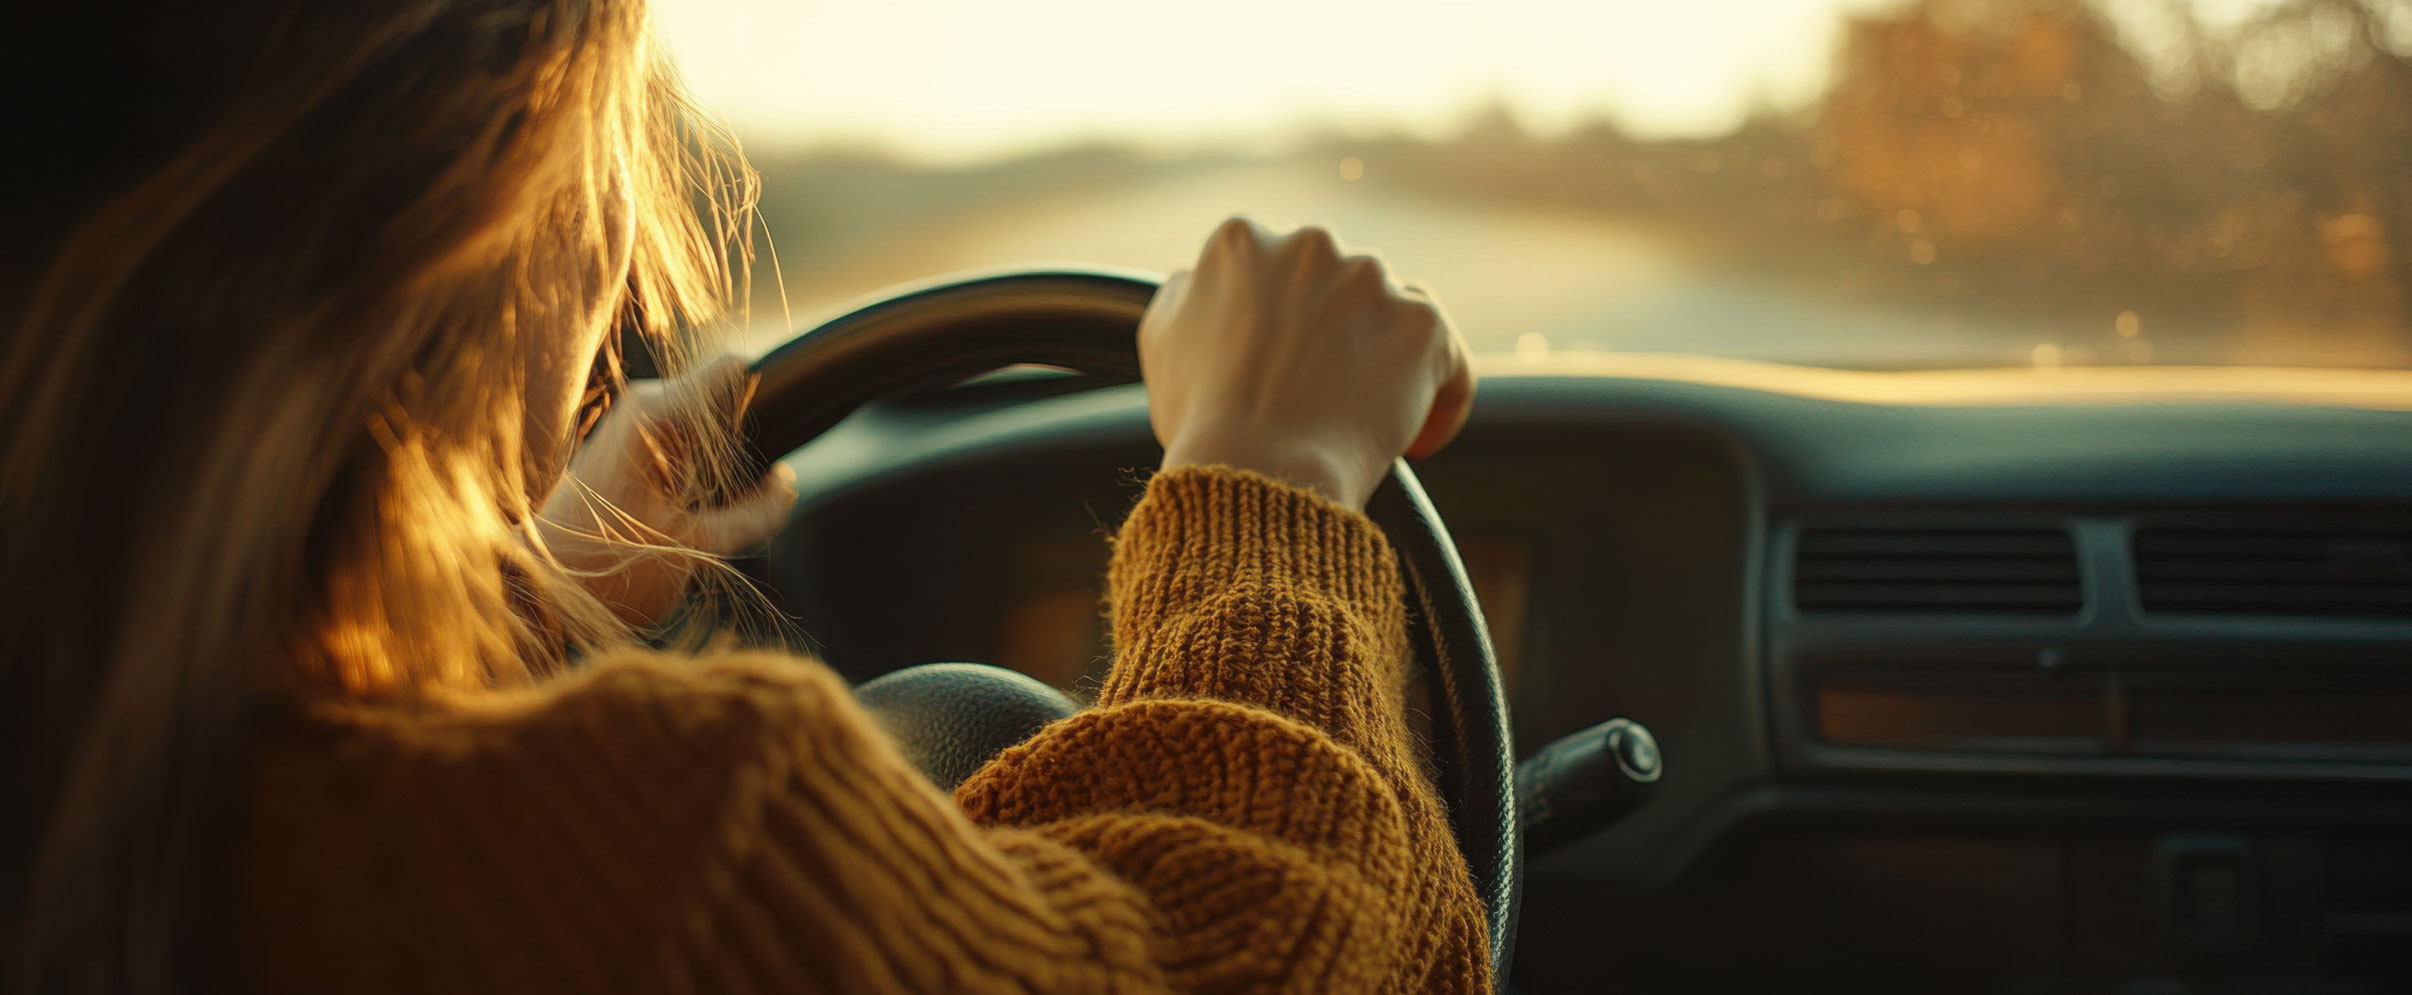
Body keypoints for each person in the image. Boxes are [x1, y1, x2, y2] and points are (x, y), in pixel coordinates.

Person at [0, 1, 1486, 992]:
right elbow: (1265, 949)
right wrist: (1270, 475)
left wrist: (514, 591)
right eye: (591, 166)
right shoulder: (680, 850)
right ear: (458, 213)